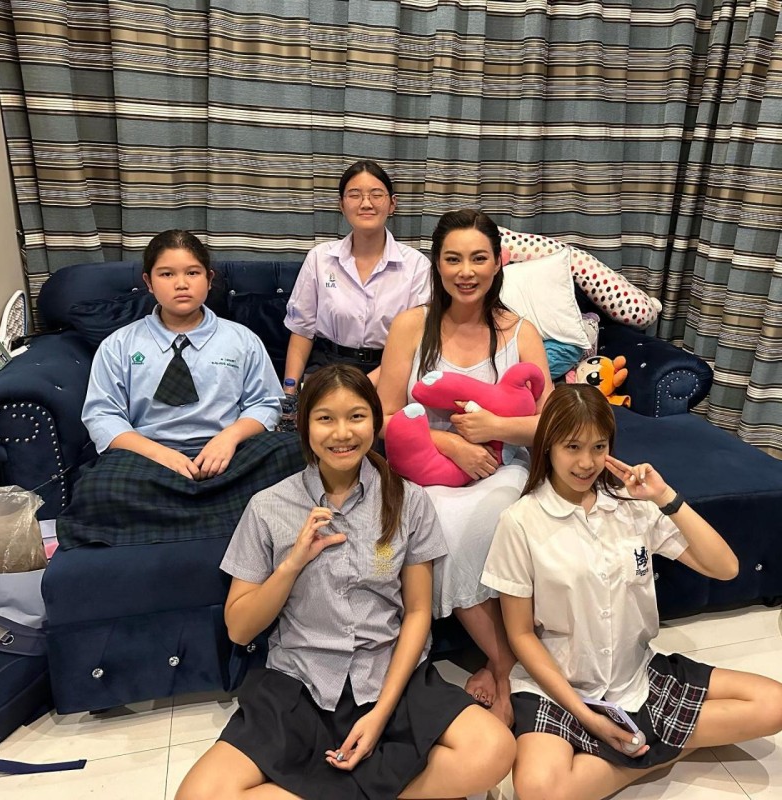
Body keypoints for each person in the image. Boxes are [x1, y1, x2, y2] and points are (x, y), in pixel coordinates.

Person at [175, 364, 516, 800]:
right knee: (198, 795)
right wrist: (292, 564)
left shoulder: (408, 500)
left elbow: (416, 613)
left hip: (390, 676)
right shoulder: (268, 506)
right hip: (300, 682)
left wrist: (381, 713)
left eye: (356, 416)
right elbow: (240, 629)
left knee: (493, 750)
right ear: (305, 426)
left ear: (375, 422)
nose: (342, 433)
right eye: (325, 418)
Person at [482, 384, 782, 800]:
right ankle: (661, 749)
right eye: (572, 447)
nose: (586, 462)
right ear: (548, 445)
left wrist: (666, 497)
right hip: (559, 685)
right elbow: (520, 635)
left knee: (774, 705)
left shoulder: (631, 506)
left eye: (598, 447)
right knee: (538, 790)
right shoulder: (520, 522)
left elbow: (725, 568)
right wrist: (587, 716)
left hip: (635, 676)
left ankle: (640, 750)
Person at [377, 209, 553, 725]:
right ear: (437, 264)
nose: (466, 271)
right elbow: (382, 416)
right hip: (424, 468)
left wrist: (496, 427)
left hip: (503, 467)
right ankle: (506, 664)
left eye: (478, 258)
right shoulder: (411, 326)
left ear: (498, 262)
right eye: (453, 259)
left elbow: (552, 424)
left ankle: (503, 661)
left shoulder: (520, 332)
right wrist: (448, 443)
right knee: (442, 527)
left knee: (488, 519)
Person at [82, 229, 283, 480]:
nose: (181, 284)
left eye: (193, 273)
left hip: (228, 457)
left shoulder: (243, 340)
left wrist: (229, 439)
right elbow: (102, 414)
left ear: (209, 279)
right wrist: (158, 454)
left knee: (288, 452)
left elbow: (266, 403)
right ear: (148, 282)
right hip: (146, 458)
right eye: (167, 274)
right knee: (95, 486)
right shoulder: (118, 345)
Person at [282, 159, 430, 394]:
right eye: (354, 195)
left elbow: (415, 344)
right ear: (341, 205)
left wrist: (359, 389)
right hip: (329, 368)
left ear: (392, 204)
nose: (366, 204)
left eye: (376, 195)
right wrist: (289, 393)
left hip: (391, 371)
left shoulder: (417, 266)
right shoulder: (320, 259)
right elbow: (302, 331)